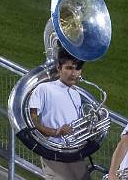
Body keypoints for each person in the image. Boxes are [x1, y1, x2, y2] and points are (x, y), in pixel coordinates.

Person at [29, 49, 90, 180]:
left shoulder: (77, 94)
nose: (74, 73)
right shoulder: (44, 88)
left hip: (74, 151)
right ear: (58, 68)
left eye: (77, 69)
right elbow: (32, 120)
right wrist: (55, 132)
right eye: (69, 68)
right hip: (52, 151)